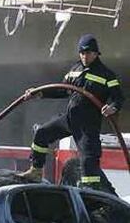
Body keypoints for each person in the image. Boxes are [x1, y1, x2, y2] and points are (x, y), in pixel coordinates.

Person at [21, 35, 124, 189]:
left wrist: (112, 107)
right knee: (42, 133)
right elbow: (62, 89)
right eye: (82, 53)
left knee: (88, 160)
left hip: (88, 125)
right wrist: (39, 93)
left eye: (88, 53)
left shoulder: (106, 75)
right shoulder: (75, 69)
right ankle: (36, 171)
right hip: (70, 119)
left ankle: (92, 193)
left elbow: (119, 98)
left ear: (96, 53)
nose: (85, 56)